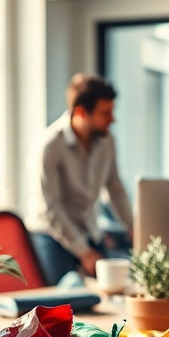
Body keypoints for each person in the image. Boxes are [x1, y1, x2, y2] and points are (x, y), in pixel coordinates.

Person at [28, 74, 134, 283]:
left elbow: (115, 187)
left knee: (111, 290)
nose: (112, 119)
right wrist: (83, 252)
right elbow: (49, 208)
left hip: (89, 229)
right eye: (106, 113)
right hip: (52, 234)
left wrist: (133, 226)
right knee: (61, 301)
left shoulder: (107, 141)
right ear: (81, 112)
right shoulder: (49, 146)